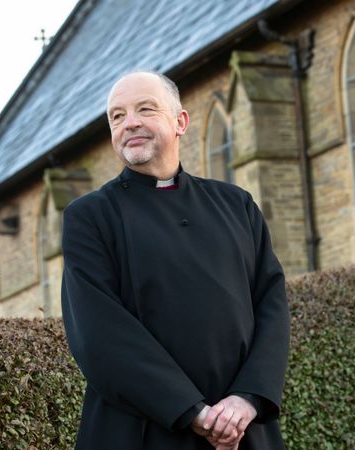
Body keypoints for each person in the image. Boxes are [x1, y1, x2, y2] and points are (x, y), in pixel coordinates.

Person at [61, 71, 290, 450]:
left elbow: (271, 303)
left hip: (243, 431)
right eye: (117, 116)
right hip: (141, 432)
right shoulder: (90, 217)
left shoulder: (237, 205)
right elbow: (99, 332)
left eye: (145, 109)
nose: (129, 122)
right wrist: (193, 412)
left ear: (180, 121)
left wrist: (248, 398)